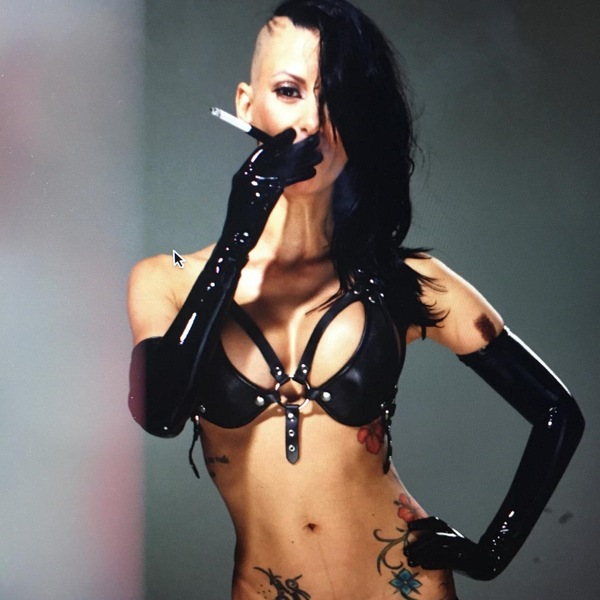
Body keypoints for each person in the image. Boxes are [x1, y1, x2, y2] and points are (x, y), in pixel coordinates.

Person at [127, 1, 584, 598]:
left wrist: (491, 551)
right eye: (288, 91)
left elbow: (557, 413)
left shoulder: (408, 280)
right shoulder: (166, 279)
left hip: (403, 587)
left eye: (336, 100)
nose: (313, 122)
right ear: (246, 104)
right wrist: (238, 234)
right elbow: (160, 414)